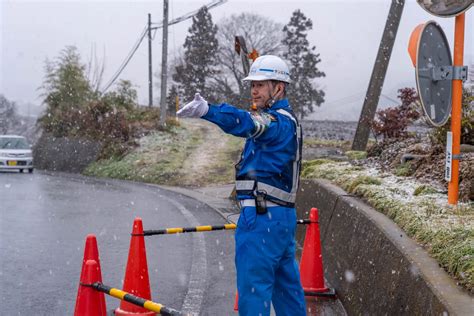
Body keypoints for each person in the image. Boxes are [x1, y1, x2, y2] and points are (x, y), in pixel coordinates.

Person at [177, 55, 306, 315]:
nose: (254, 91)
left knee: (253, 293)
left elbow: (248, 123)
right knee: (287, 292)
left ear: (278, 87)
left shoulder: (275, 122)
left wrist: (209, 111)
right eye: (252, 85)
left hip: (261, 220)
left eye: (260, 84)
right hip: (280, 218)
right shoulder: (287, 121)